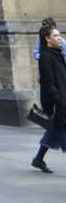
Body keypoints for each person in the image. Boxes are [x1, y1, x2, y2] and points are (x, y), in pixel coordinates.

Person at [32, 22, 66, 173]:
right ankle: (38, 159)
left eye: (59, 35)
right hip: (57, 103)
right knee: (61, 129)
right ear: (47, 39)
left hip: (62, 99)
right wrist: (60, 101)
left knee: (54, 131)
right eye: (56, 36)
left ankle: (38, 159)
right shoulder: (46, 56)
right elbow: (49, 83)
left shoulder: (57, 53)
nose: (60, 38)